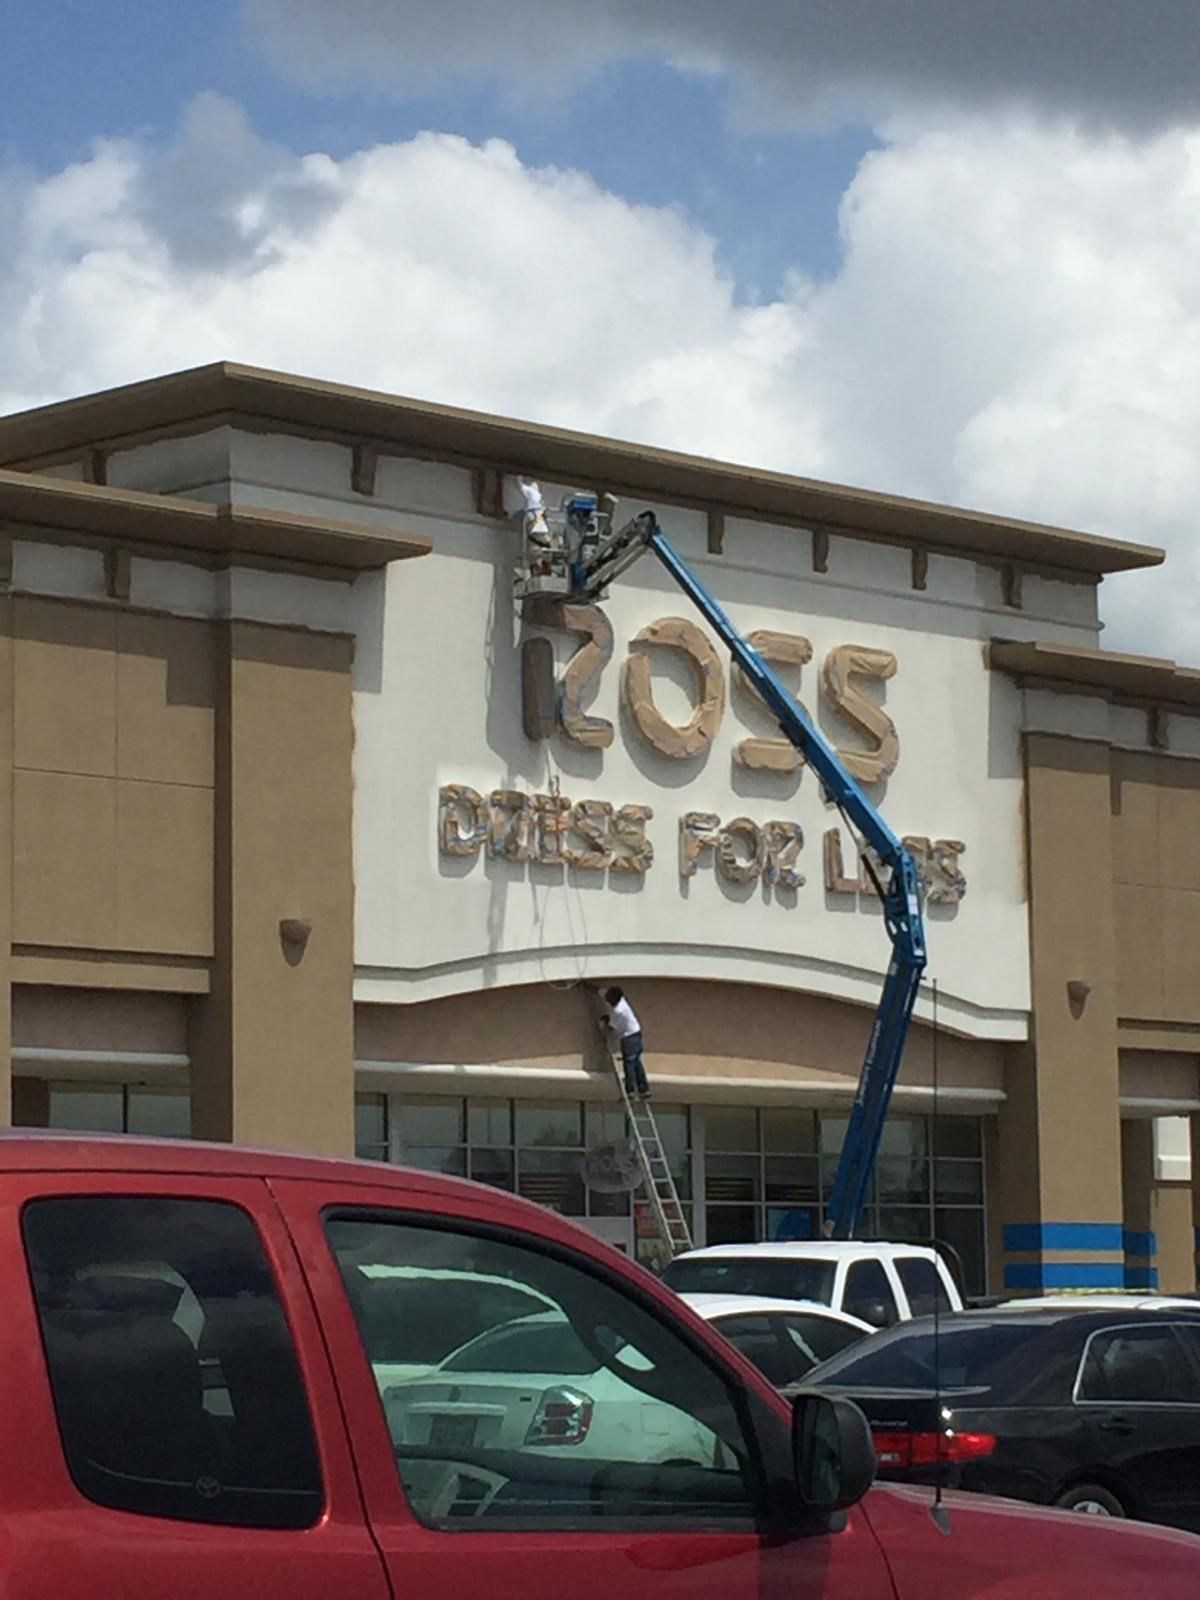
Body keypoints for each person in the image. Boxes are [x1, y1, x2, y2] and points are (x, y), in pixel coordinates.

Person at [601, 985, 649, 1100]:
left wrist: (604, 1021)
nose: (607, 1000)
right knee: (636, 1062)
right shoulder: (622, 1001)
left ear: (614, 999)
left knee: (629, 1064)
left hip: (629, 1037)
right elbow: (600, 992)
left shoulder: (619, 1011)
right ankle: (644, 1089)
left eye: (609, 998)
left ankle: (630, 1091)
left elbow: (612, 1026)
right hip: (636, 1033)